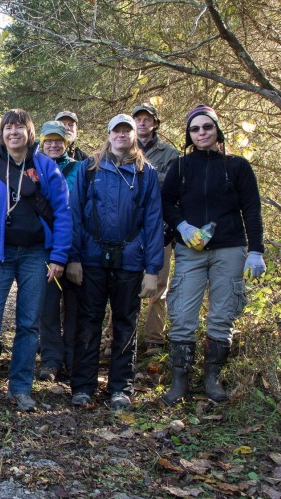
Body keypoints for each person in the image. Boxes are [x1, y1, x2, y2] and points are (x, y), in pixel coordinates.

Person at [0, 109, 71, 417]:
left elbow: (62, 212)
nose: (13, 133)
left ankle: (20, 389)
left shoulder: (46, 168)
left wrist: (59, 256)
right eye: (8, 129)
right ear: (2, 134)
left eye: (19, 128)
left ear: (29, 132)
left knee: (28, 324)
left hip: (35, 255)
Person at [161, 104, 265, 405]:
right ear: (188, 134)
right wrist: (181, 225)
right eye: (195, 129)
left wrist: (255, 251)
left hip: (230, 249)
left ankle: (212, 380)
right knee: (181, 315)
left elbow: (253, 211)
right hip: (190, 250)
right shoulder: (180, 167)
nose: (201, 133)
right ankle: (179, 382)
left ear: (217, 129)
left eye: (207, 127)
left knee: (222, 316)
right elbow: (166, 203)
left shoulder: (238, 166)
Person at [66, 114, 163, 410]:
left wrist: (152, 269)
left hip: (131, 262)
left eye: (127, 130)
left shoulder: (147, 174)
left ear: (135, 135)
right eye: (116, 130)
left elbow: (153, 221)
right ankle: (83, 387)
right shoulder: (89, 169)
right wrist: (73, 258)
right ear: (108, 135)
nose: (121, 135)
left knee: (125, 325)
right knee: (88, 323)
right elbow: (75, 216)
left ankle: (121, 388)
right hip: (92, 260)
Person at [131, 103, 180, 355]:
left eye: (147, 119)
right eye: (138, 119)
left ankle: (154, 339)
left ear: (155, 123)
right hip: (129, 228)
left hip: (161, 228)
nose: (142, 123)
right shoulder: (122, 148)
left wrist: (142, 175)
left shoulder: (170, 154)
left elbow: (173, 186)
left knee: (159, 285)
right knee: (126, 282)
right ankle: (118, 337)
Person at [37, 120, 80, 382]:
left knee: (75, 306)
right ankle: (51, 360)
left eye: (58, 140)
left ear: (67, 142)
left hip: (76, 248)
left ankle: (74, 360)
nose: (54, 145)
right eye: (48, 140)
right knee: (48, 306)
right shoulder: (34, 169)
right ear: (41, 142)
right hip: (45, 247)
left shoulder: (80, 169)